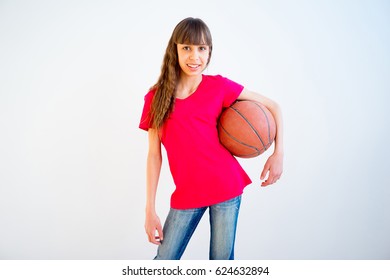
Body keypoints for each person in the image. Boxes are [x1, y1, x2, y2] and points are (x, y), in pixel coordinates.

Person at [139, 17, 283, 260]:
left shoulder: (219, 86)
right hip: (187, 193)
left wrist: (277, 154)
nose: (194, 56)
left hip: (226, 186)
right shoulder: (155, 98)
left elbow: (273, 106)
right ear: (174, 50)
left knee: (221, 264)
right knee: (163, 261)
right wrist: (150, 209)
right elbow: (154, 155)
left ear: (209, 52)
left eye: (201, 49)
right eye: (187, 48)